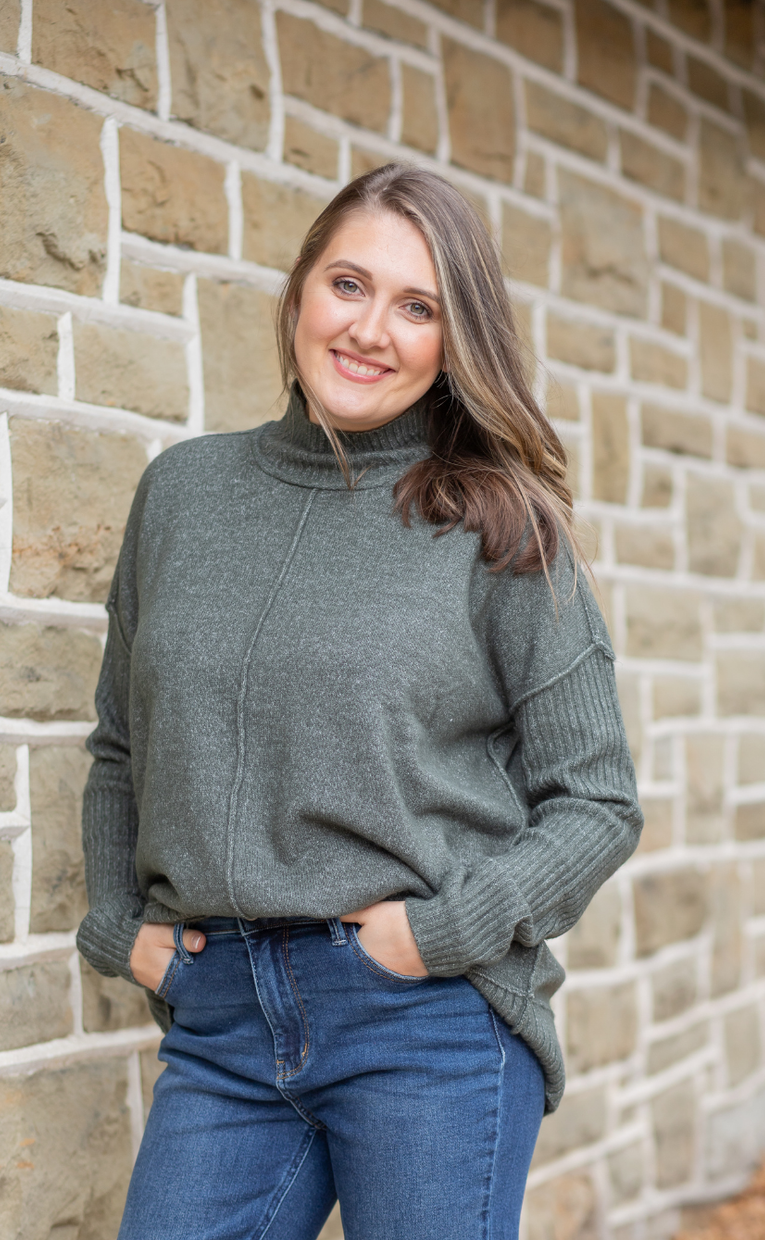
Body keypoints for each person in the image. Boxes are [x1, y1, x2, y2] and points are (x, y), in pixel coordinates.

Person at [77, 163, 643, 1240]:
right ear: (299, 292)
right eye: (349, 284)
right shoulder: (182, 493)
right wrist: (120, 925)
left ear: (453, 340)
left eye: (417, 306)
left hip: (423, 1022)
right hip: (222, 1018)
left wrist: (437, 934)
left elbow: (596, 799)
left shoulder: (499, 527)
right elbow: (120, 747)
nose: (371, 328)